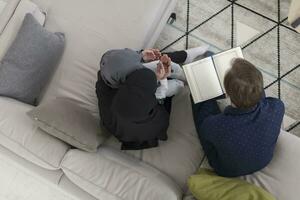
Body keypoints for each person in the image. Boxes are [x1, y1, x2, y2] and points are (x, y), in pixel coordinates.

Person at [96, 46, 209, 150]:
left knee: (161, 63)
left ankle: (185, 58)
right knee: (176, 85)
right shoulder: (130, 103)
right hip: (138, 121)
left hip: (132, 92)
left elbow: (125, 63)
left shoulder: (108, 71)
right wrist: (162, 80)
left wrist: (141, 56)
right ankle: (185, 80)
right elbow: (157, 98)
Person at [192, 58, 285, 177]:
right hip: (263, 160)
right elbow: (263, 98)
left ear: (227, 94)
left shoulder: (215, 125)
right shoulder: (277, 107)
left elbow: (206, 130)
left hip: (227, 169)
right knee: (253, 92)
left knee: (199, 102)